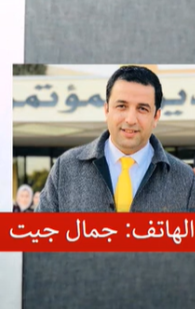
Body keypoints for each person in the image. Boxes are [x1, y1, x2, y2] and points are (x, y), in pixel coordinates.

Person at [37, 65, 195, 212]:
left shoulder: (186, 180)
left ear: (156, 117)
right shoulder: (66, 168)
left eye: (142, 108)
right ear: (106, 110)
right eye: (122, 106)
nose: (130, 119)